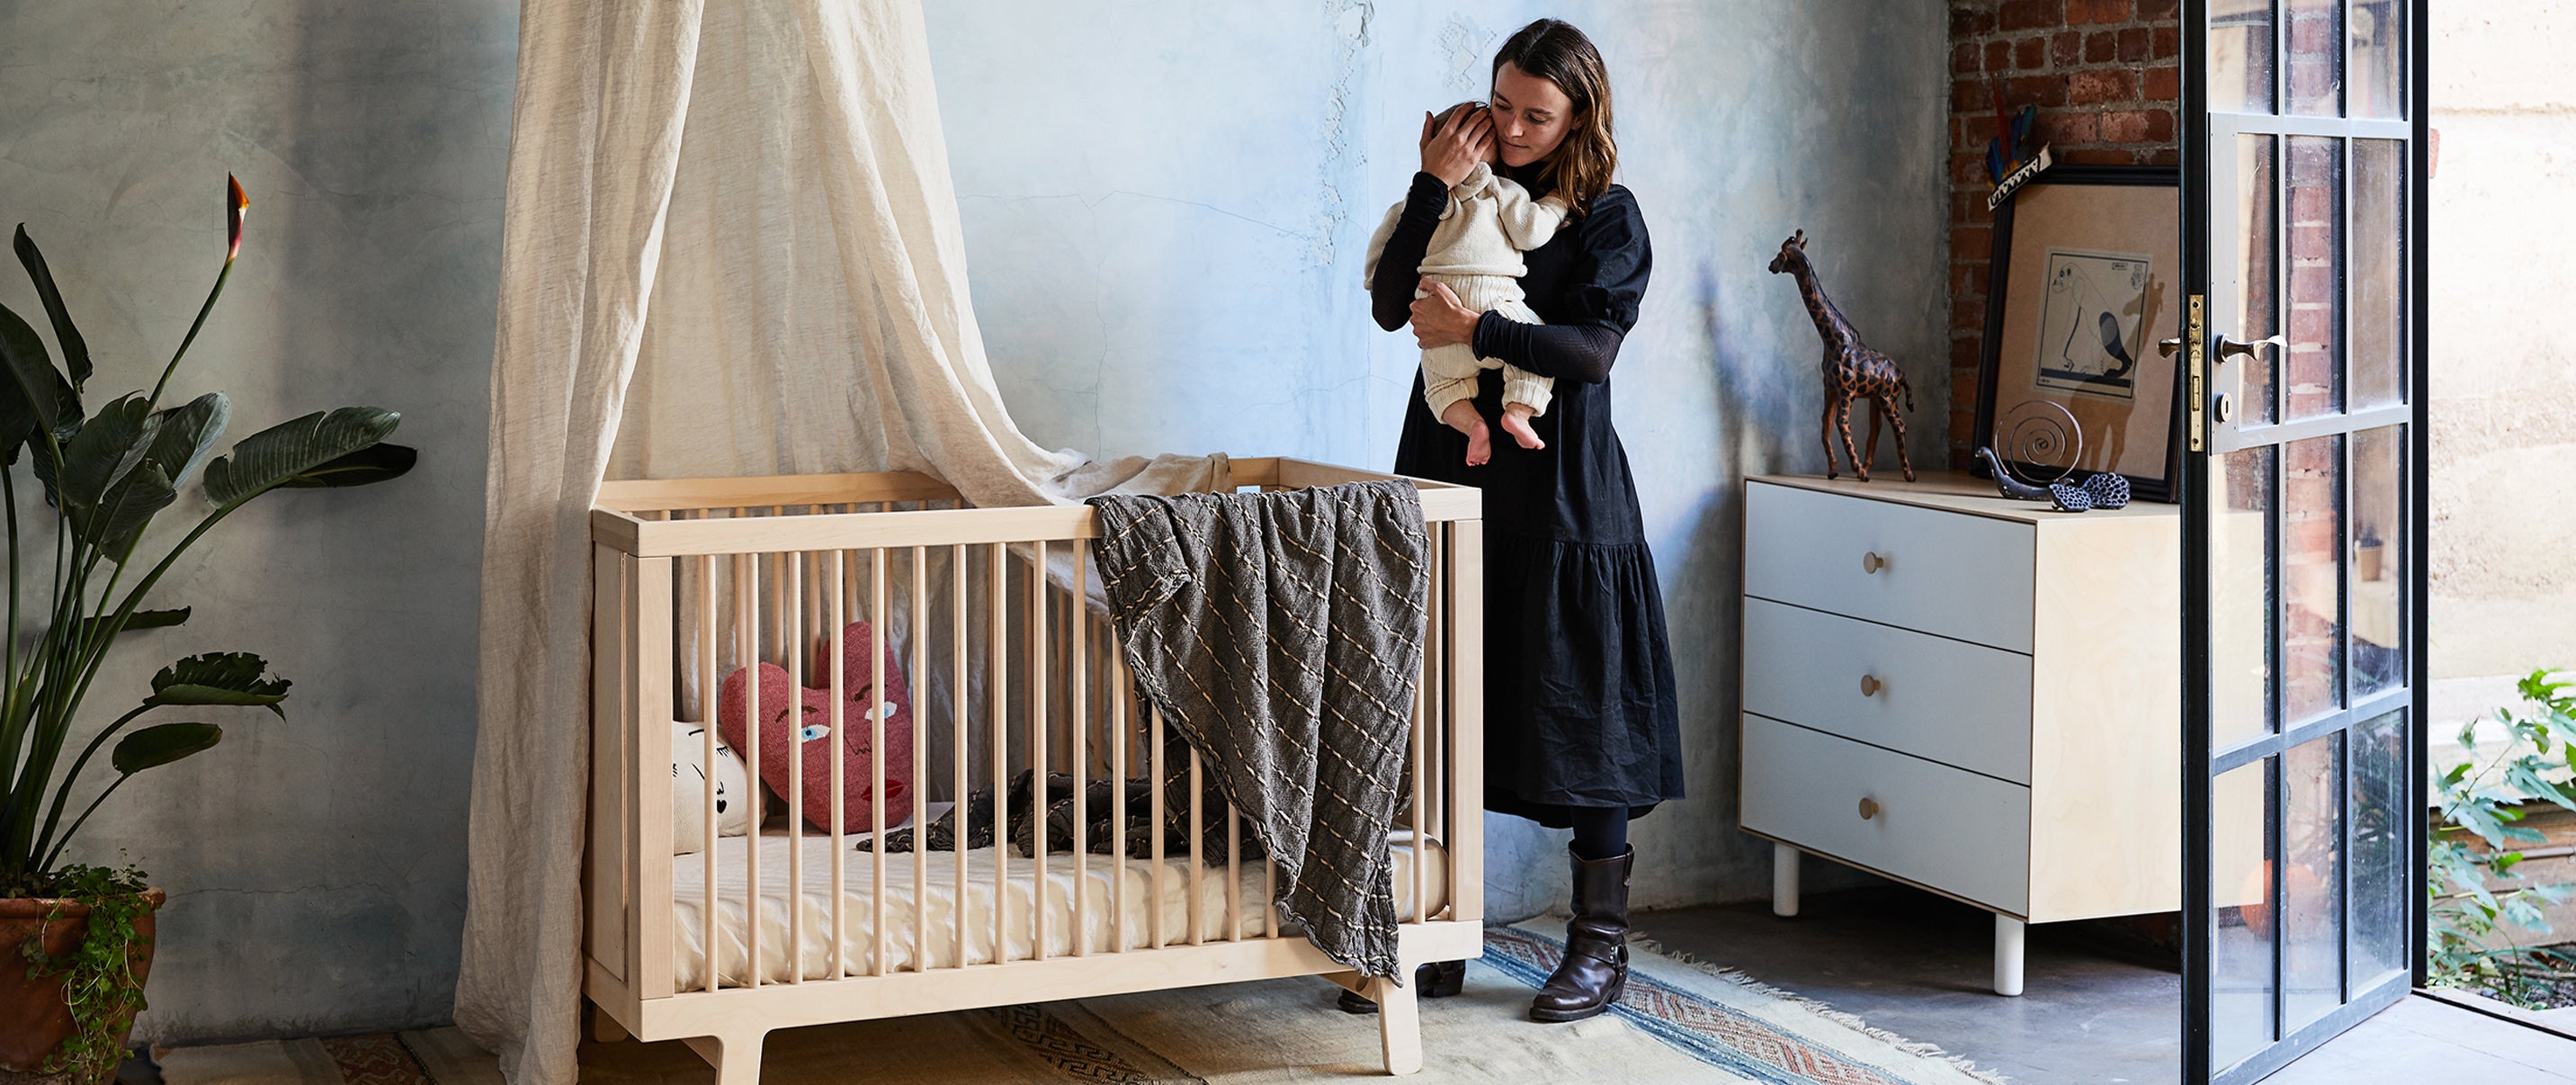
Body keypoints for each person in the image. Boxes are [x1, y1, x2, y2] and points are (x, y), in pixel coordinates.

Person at [1348, 17, 1685, 1024]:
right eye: (1501, 104)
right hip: (1452, 466)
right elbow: (1382, 304)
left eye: (1535, 114)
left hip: (1562, 484)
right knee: (1448, 698)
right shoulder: (1454, 186)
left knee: (1577, 705)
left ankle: (1597, 948)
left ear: (1580, 115)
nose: (1512, 126)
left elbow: (1589, 351)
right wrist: (1424, 184)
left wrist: (1475, 329)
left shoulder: (1606, 218)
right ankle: (1441, 937)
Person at [1363, 130, 1572, 465]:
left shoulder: (1414, 203)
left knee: (1442, 386)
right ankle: (1518, 413)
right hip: (1498, 304)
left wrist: (1374, 278)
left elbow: (1380, 262)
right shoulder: (1501, 191)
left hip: (1437, 310)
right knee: (1532, 357)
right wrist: (1558, 203)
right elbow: (1531, 231)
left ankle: (1474, 427)